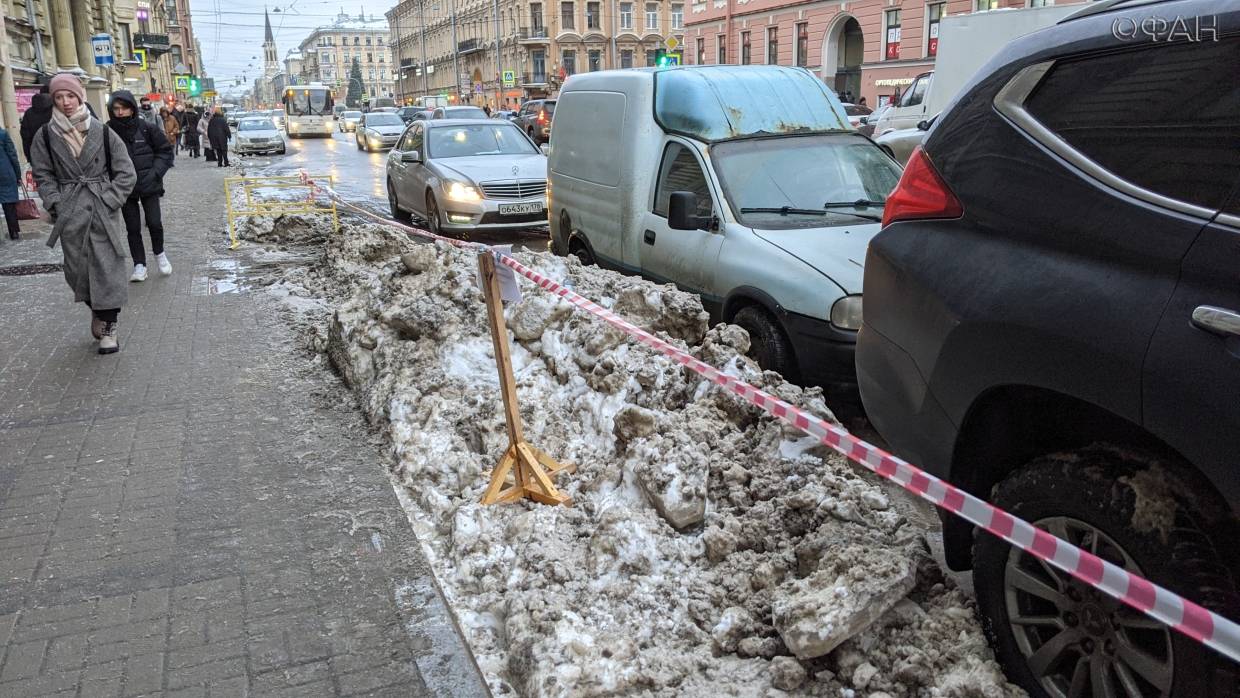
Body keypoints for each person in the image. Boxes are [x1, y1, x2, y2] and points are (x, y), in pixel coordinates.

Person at [29, 72, 137, 355]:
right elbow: (42, 173)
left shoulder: (102, 131)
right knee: (76, 271)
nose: (65, 102)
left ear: (80, 97)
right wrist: (55, 202)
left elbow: (126, 172)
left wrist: (110, 199)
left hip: (101, 209)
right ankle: (97, 311)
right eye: (60, 97)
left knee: (108, 268)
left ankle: (110, 326)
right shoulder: (45, 135)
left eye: (71, 96)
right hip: (70, 210)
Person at [108, 90, 174, 282]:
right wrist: (113, 182)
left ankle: (160, 254)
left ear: (132, 109)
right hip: (124, 188)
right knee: (133, 228)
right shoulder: (108, 132)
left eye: (124, 108)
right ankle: (139, 265)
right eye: (116, 109)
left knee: (154, 223)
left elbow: (165, 152)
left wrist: (155, 174)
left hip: (149, 184)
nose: (120, 113)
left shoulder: (146, 128)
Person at [20, 90, 54, 162]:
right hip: (56, 151)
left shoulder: (28, 112)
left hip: (37, 153)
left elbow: (25, 136)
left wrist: (29, 157)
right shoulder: (55, 109)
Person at [0, 128, 22, 240]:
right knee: (9, 204)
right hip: (4, 172)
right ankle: (13, 232)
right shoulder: (2, 134)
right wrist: (18, 175)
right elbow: (12, 155)